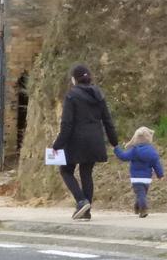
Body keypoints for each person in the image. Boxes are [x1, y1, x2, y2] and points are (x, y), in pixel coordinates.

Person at [51, 64, 118, 221]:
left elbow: (67, 124)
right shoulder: (99, 95)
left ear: (74, 79)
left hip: (76, 141)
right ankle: (86, 211)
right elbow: (108, 121)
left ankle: (81, 201)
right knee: (86, 173)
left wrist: (57, 145)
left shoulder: (72, 96)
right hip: (95, 141)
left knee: (66, 170)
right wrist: (114, 142)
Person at [114, 126, 164, 218]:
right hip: (147, 179)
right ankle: (137, 207)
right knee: (142, 193)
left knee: (140, 193)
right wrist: (160, 175)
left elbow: (123, 156)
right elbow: (156, 164)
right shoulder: (152, 151)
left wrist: (117, 149)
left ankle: (143, 209)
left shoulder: (134, 150)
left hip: (136, 178)